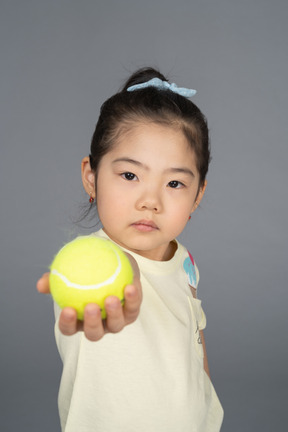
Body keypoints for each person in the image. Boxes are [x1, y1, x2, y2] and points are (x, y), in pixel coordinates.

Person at [37, 67, 224, 431]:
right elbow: (102, 298)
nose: (150, 201)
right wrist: (121, 291)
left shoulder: (184, 260)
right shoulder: (88, 263)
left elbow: (194, 343)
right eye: (129, 176)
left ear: (198, 195)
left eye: (174, 182)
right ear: (91, 176)